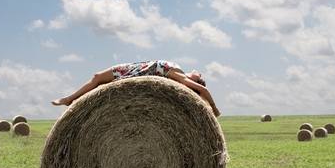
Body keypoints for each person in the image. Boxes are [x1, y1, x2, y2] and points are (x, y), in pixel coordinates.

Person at [51, 60, 221, 117]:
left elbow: (204, 91)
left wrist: (214, 109)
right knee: (98, 80)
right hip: (135, 67)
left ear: (196, 82)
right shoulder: (180, 72)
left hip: (132, 73)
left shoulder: (181, 78)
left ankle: (69, 100)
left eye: (199, 77)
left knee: (97, 79)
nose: (198, 73)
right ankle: (72, 101)